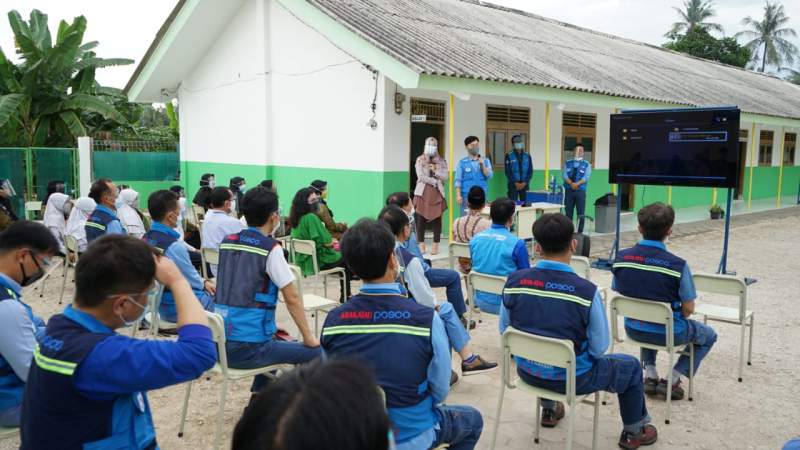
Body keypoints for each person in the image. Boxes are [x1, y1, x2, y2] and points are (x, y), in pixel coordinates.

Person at [20, 234, 217, 449]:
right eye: (149, 292)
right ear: (122, 304)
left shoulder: (59, 327)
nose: (150, 297)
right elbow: (199, 353)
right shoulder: (100, 356)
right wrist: (178, 281)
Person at [321, 219, 484, 450]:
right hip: (412, 434)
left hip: (357, 433)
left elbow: (331, 384)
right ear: (392, 259)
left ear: (353, 268)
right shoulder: (427, 320)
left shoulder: (333, 321)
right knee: (473, 420)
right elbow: (440, 390)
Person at [501, 214, 657, 449]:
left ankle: (549, 410)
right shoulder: (587, 292)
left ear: (537, 247)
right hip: (575, 379)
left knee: (543, 343)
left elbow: (505, 331)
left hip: (527, 371)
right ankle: (634, 430)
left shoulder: (513, 282)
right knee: (631, 366)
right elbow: (599, 347)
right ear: (573, 245)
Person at [216, 186, 321, 398]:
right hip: (247, 349)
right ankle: (308, 407)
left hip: (218, 342)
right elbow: (291, 297)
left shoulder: (227, 242)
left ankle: (260, 397)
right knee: (318, 352)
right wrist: (309, 337)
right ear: (274, 217)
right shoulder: (270, 249)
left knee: (273, 334)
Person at [612, 203, 717, 400]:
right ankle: (674, 377)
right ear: (670, 231)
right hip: (671, 333)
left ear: (639, 229)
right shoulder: (678, 265)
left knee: (647, 314)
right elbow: (688, 308)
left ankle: (650, 374)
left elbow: (618, 288)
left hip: (633, 328)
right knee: (709, 336)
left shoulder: (621, 259)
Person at [379, 205, 496, 379]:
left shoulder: (375, 252)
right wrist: (434, 305)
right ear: (405, 229)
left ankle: (466, 361)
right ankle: (455, 367)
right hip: (403, 312)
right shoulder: (407, 259)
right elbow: (425, 299)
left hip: (384, 305)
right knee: (445, 314)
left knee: (445, 311)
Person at [232, 358, 391, 450]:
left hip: (229, 349)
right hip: (253, 350)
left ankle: (258, 391)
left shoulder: (334, 319)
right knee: (312, 352)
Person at [0, 221, 57, 428]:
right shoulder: (7, 307)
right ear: (23, 255)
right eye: (42, 263)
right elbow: (33, 373)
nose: (42, 271)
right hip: (10, 402)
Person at [386, 192, 471, 327]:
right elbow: (412, 260)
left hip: (411, 269)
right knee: (453, 276)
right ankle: (459, 318)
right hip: (416, 269)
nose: (413, 204)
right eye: (410, 202)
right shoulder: (404, 226)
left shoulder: (387, 226)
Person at [144, 190, 216, 323]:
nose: (181, 216)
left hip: (155, 305)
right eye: (179, 212)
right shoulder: (174, 246)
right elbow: (191, 280)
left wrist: (202, 282)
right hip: (178, 308)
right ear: (170, 216)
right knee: (225, 304)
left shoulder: (145, 239)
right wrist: (204, 282)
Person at [469, 197, 530, 314]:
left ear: (490, 216)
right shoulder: (517, 244)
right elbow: (525, 276)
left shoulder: (475, 240)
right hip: (507, 304)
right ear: (511, 219)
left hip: (479, 300)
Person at [289, 187, 351, 301]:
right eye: (312, 201)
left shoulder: (295, 218)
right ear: (304, 203)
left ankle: (346, 294)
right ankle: (346, 296)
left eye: (316, 199)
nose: (316, 202)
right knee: (346, 259)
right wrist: (333, 241)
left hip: (302, 260)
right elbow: (327, 242)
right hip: (318, 261)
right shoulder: (311, 217)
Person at [413, 137, 448, 255]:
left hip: (437, 193)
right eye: (429, 145)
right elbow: (420, 176)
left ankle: (435, 245)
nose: (431, 147)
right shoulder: (420, 160)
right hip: (423, 192)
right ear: (425, 145)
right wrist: (434, 181)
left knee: (437, 219)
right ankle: (421, 244)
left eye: (433, 145)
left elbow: (445, 177)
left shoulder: (441, 161)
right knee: (420, 219)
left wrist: (435, 171)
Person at [201, 187, 243, 276]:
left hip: (213, 267)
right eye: (232, 200)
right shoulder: (232, 222)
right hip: (231, 270)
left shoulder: (207, 217)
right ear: (227, 203)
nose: (233, 203)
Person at [451, 186, 491, 273]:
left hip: (464, 267)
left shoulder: (456, 222)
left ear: (468, 203)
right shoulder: (488, 225)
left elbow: (454, 239)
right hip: (482, 268)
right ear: (484, 205)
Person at [455, 136, 492, 215]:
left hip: (482, 196)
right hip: (467, 197)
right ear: (466, 147)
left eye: (477, 145)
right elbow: (458, 180)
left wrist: (482, 166)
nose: (475, 147)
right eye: (472, 145)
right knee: (466, 219)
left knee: (482, 219)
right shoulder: (462, 163)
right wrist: (458, 195)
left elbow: (489, 176)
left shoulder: (485, 161)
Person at [85, 178, 125, 244]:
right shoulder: (111, 222)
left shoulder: (92, 216)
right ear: (106, 198)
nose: (119, 196)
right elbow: (117, 250)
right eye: (116, 193)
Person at [563, 143, 592, 233]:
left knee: (581, 213)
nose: (579, 152)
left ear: (583, 153)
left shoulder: (587, 164)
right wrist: (571, 183)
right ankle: (568, 232)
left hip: (580, 192)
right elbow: (564, 175)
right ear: (573, 151)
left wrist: (577, 184)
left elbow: (586, 177)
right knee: (568, 213)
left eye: (581, 151)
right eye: (577, 150)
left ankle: (580, 233)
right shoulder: (567, 163)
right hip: (568, 191)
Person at [504, 134, 533, 202]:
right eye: (517, 142)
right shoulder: (509, 155)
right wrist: (515, 183)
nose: (519, 144)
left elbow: (530, 171)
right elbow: (508, 172)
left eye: (520, 142)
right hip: (513, 185)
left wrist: (525, 182)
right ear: (513, 145)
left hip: (525, 185)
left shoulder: (527, 155)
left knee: (526, 205)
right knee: (512, 204)